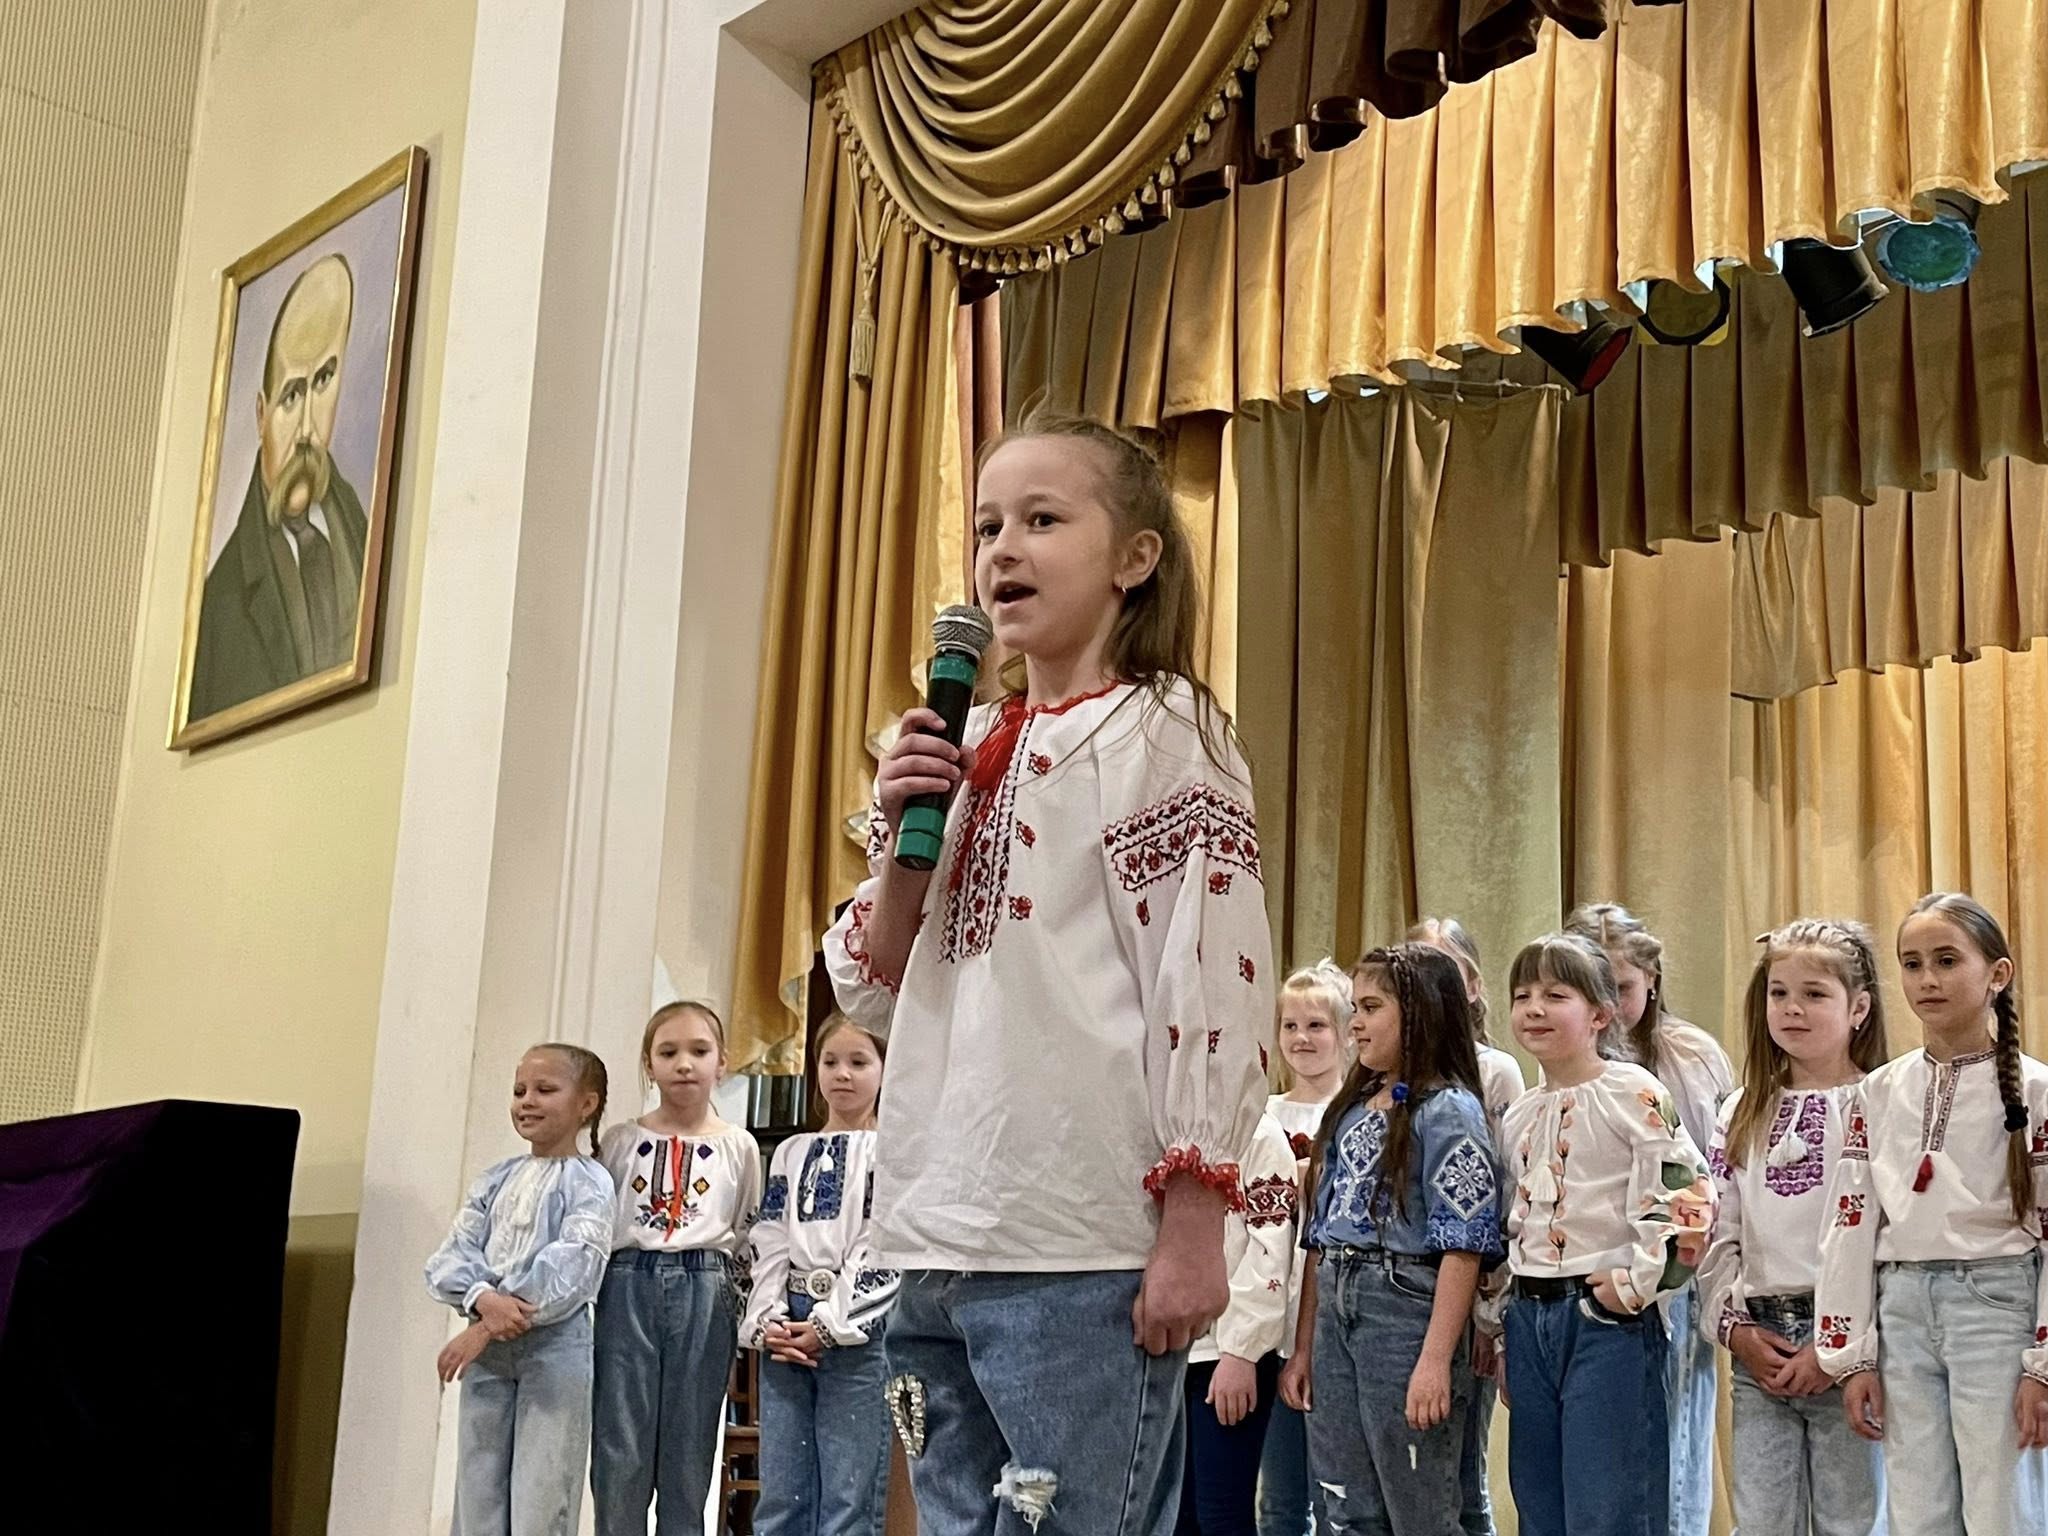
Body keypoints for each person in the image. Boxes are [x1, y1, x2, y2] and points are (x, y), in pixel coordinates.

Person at [822, 411, 1273, 1535]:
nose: (1002, 550)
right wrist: (901, 834)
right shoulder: (963, 743)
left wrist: (1192, 1225)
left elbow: (1210, 979)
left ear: (1134, 557)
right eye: (986, 527)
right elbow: (873, 982)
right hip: (934, 1230)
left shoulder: (1163, 729)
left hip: (1077, 1243)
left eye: (1041, 520)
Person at [1815, 893, 2048, 1533]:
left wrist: (2043, 1364)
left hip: (1997, 1307)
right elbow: (1851, 1222)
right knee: (1916, 1510)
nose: (1927, 980)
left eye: (1946, 961)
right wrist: (1852, 1353)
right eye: (1912, 964)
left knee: (2002, 1506)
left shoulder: (2036, 1090)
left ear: (1997, 974)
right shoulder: (1878, 1090)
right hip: (1902, 1310)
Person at [1488, 932, 1714, 1536]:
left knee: (1609, 1506)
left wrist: (1635, 1285)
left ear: (1600, 1014)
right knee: (1540, 1503)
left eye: (1555, 995)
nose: (1534, 1008)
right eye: (1522, 995)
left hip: (1603, 1323)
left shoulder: (1632, 1091)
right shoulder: (1520, 1114)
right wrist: (1505, 1331)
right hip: (1531, 1319)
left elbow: (1689, 1196)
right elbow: (1515, 1222)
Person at [1279, 943, 1506, 1534]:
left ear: (1420, 1011)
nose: (1355, 1022)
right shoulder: (1350, 1108)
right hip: (1336, 1311)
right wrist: (1305, 1348)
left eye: (1371, 1007)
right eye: (1354, 1007)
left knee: (1418, 1508)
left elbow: (1464, 1244)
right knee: (1344, 1507)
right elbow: (1317, 1240)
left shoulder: (1449, 1111)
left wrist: (1434, 1360)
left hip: (1403, 1312)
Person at [1697, 919, 1888, 1536]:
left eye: (1814, 994)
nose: (1792, 1008)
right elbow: (1720, 1230)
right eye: (1779, 993)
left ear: (1858, 1008)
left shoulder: (1880, 1102)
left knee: (1851, 1520)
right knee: (1762, 1520)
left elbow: (1886, 1240)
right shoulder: (1742, 1109)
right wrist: (1737, 1332)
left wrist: (1841, 1348)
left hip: (1850, 1352)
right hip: (1762, 1347)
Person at [1565, 902, 1732, 1536]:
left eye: (1623, 987)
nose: (1610, 1005)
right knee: (1604, 1448)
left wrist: (1673, 1268)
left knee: (1676, 1430)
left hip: (1673, 1274)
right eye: (1594, 988)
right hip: (1594, 1278)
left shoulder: (1691, 1057)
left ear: (1652, 979)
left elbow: (1711, 1177)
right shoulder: (1566, 1062)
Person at [424, 1043, 614, 1536]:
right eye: (519, 1090)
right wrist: (484, 1301)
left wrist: (486, 1325)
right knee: (478, 1487)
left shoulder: (590, 1181)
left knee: (544, 1489)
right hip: (489, 1355)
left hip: (555, 1350)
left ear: (586, 1104)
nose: (527, 1100)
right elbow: (452, 1253)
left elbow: (573, 1265)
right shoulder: (495, 1178)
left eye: (545, 1090)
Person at [592, 1001, 763, 1536]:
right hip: (627, 1284)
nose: (684, 1063)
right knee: (620, 1440)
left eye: (699, 1051)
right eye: (668, 1052)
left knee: (690, 1443)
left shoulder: (738, 1146)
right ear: (649, 1064)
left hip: (706, 1288)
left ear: (722, 1062)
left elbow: (748, 1231)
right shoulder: (620, 1142)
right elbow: (599, 1222)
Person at [191, 253, 371, 718]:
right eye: (291, 396)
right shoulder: (221, 607)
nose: (308, 429)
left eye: (324, 380)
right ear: (261, 414)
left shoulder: (361, 529)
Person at [743, 1016, 899, 1536]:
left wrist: (831, 1323)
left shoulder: (889, 1151)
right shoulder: (792, 1151)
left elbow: (880, 1242)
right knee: (782, 1492)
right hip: (787, 1329)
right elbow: (770, 1235)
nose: (842, 1074)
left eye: (859, 1062)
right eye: (830, 1062)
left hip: (854, 1330)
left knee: (848, 1496)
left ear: (885, 1069)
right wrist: (769, 1318)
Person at [1410, 916, 1525, 1536]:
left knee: (1460, 1473)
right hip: (1399, 1296)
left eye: (1445, 971)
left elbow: (1502, 1195)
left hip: (1467, 1289)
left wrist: (1489, 1314)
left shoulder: (1495, 1072)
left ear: (1474, 987)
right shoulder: (1387, 1068)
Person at [1258, 962, 1352, 1536]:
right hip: (1275, 1308)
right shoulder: (1264, 1113)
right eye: (1290, 1025)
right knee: (1281, 1495)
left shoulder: (1357, 1114)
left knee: (1337, 1493)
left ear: (1345, 1033)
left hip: (1334, 1310)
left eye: (1316, 1025)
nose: (1301, 1038)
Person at [1178, 1112, 1299, 1536]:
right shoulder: (1165, 1129)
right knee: (1176, 1516)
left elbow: (1271, 1252)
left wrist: (1241, 1352)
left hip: (1226, 1356)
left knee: (1221, 1515)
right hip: (1169, 1352)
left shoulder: (1261, 1135)